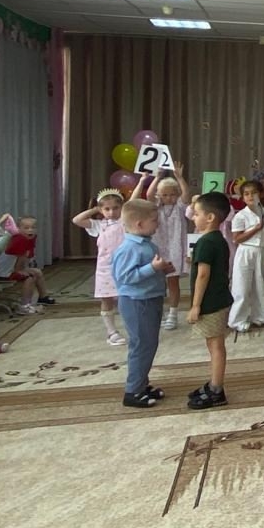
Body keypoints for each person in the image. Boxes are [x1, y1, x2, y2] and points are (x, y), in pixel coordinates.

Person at [110, 198, 174, 408]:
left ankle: (141, 384)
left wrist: (161, 269)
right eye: (154, 221)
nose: (158, 224)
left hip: (150, 298)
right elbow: (124, 277)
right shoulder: (129, 248)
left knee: (149, 343)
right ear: (139, 224)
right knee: (141, 345)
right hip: (136, 302)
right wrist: (152, 268)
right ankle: (132, 391)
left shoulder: (147, 244)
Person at [73, 181, 147, 346]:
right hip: (106, 269)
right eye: (107, 209)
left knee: (128, 298)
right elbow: (77, 220)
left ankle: (134, 328)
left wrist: (142, 181)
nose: (112, 212)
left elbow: (133, 200)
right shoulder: (98, 225)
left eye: (115, 208)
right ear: (102, 210)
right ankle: (111, 332)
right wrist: (96, 209)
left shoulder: (125, 223)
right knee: (107, 299)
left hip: (126, 266)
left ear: (122, 208)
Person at [186, 191, 233, 409]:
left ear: (210, 217)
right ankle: (214, 383)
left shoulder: (206, 242)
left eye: (197, 214)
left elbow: (203, 275)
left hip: (211, 302)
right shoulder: (218, 240)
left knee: (215, 346)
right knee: (214, 343)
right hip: (219, 298)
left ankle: (216, 389)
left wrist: (195, 305)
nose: (193, 218)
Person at [147, 167, 190, 330]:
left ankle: (173, 313)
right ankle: (159, 312)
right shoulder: (156, 207)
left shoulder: (180, 206)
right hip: (158, 248)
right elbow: (149, 195)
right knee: (157, 283)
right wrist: (157, 177)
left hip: (175, 248)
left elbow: (186, 195)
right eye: (164, 194)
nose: (168, 197)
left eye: (172, 194)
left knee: (173, 282)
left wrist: (179, 178)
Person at [230, 180, 264, 332]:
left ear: (261, 194)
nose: (250, 196)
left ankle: (259, 317)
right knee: (241, 285)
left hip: (262, 250)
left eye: (254, 193)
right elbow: (237, 238)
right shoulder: (241, 216)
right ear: (242, 197)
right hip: (246, 251)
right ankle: (237, 320)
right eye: (246, 194)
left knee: (260, 284)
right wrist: (255, 228)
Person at [0, 214, 47, 312]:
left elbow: (26, 257)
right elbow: (20, 261)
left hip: (9, 268)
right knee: (29, 278)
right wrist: (21, 271)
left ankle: (43, 298)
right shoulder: (20, 240)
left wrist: (24, 269)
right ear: (18, 229)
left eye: (33, 227)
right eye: (26, 228)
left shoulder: (28, 239)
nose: (30, 230)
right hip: (3, 272)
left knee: (37, 271)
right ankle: (25, 306)